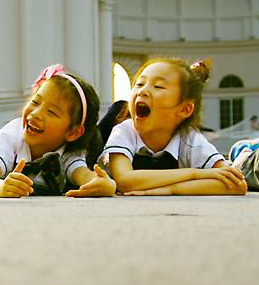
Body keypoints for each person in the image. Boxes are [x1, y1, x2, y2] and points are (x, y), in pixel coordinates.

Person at [99, 58, 247, 196]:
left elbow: (238, 184)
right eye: (139, 84)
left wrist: (169, 189)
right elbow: (125, 180)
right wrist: (195, 174)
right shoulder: (125, 131)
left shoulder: (188, 138)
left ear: (184, 109)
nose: (142, 91)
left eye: (158, 86)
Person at [0, 64, 113, 198]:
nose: (36, 113)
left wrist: (107, 185)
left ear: (73, 133)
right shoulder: (11, 136)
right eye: (35, 102)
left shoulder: (69, 152)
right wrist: (0, 187)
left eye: (51, 112)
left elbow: (85, 176)